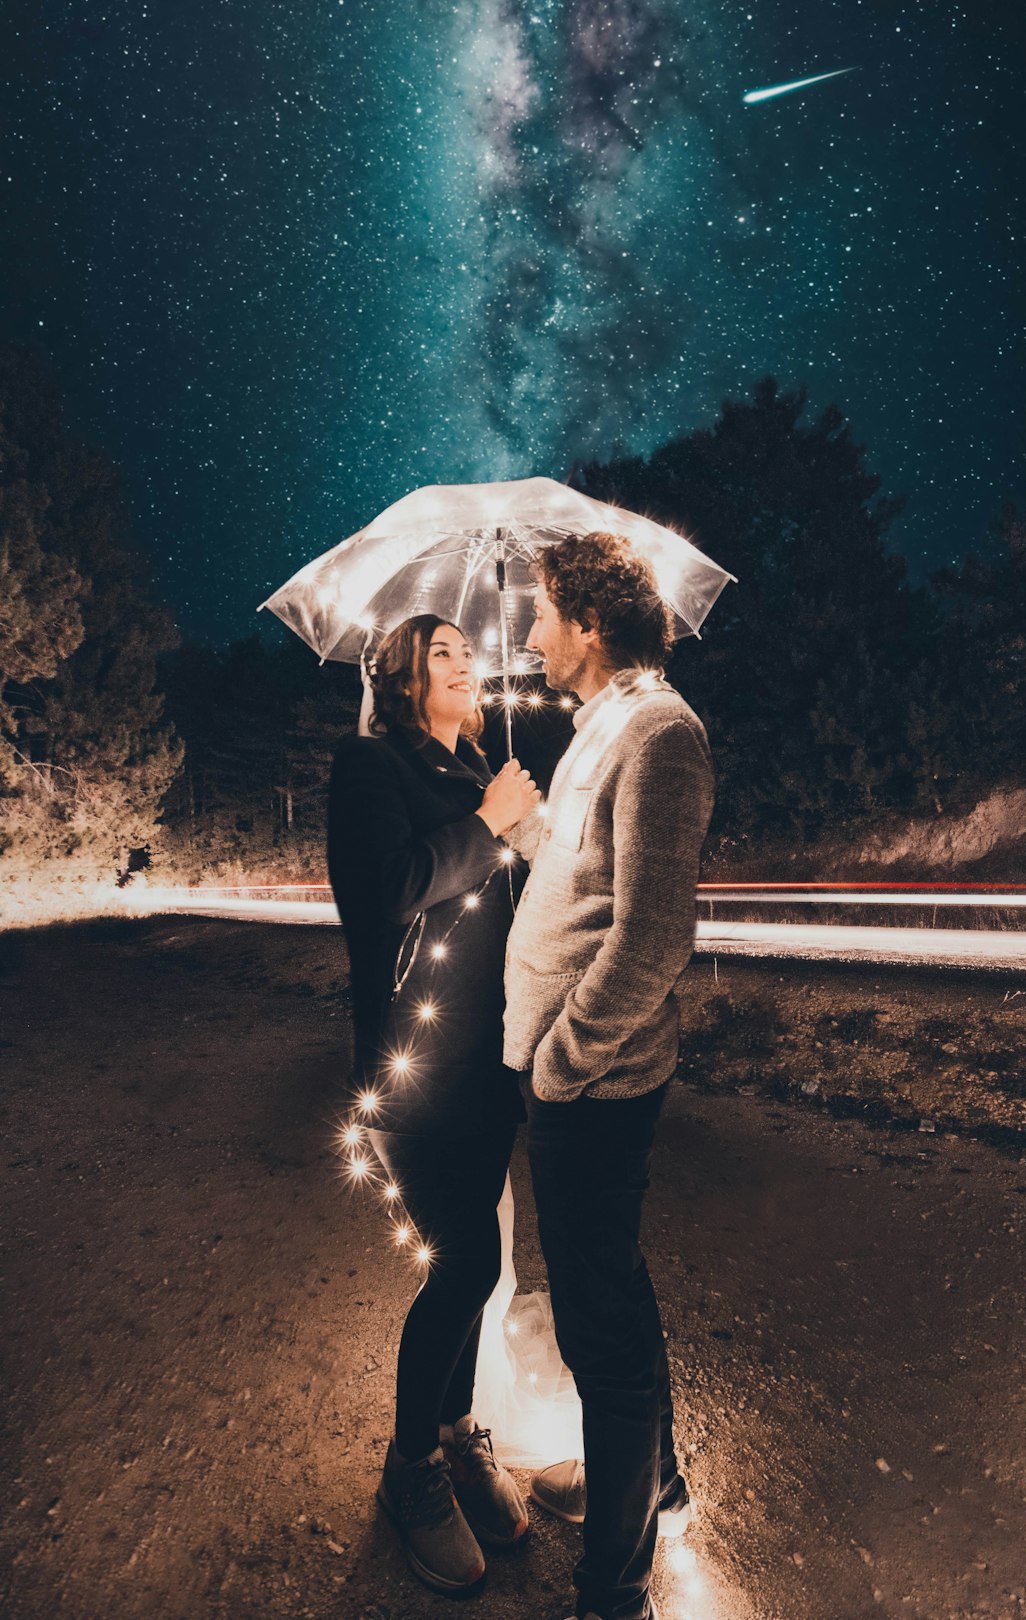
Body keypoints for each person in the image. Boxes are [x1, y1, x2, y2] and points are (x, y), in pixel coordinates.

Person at [503, 533, 715, 1620]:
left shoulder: (662, 735)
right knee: (615, 1293)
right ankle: (652, 1486)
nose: (529, 633)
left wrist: (559, 1063)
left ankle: (615, 1586)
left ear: (590, 624)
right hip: (576, 1083)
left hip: (595, 1087)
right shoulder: (600, 729)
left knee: (599, 1328)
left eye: (542, 613)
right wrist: (528, 823)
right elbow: (582, 884)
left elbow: (652, 939)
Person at [326, 614, 540, 1596]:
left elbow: (511, 918)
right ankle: (408, 1470)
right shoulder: (370, 767)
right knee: (467, 1267)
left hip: (491, 1068)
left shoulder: (482, 779)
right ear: (403, 677)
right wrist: (489, 826)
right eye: (441, 651)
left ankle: (456, 1438)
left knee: (477, 1271)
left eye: (470, 651)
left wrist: (529, 841)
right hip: (416, 1072)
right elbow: (385, 893)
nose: (466, 663)